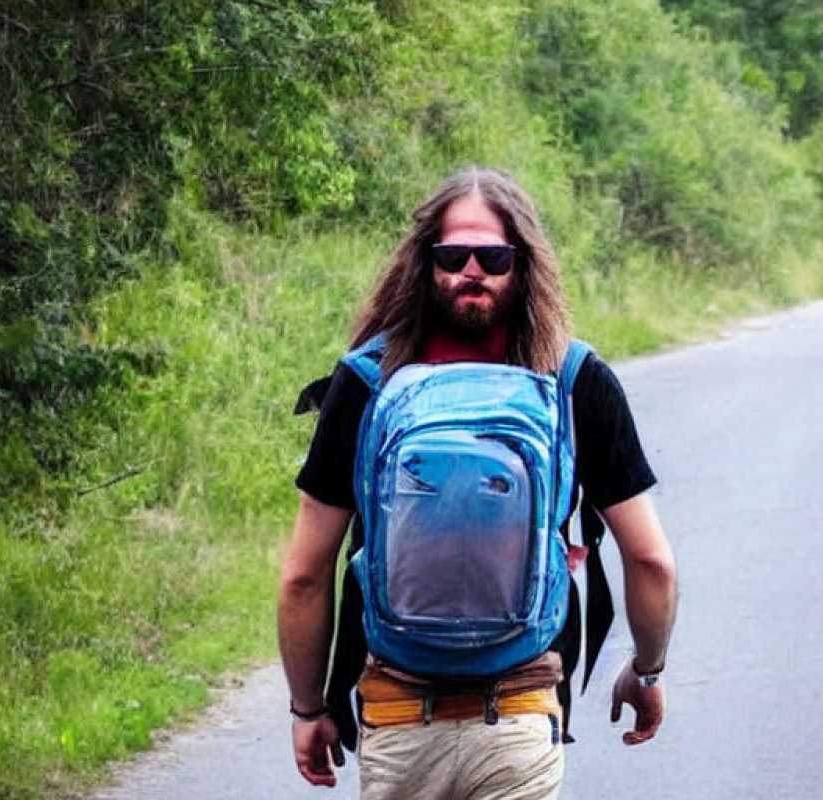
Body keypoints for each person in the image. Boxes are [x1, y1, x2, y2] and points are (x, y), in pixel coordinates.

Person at [277, 166, 678, 798]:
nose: (471, 269)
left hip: (398, 719)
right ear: (425, 261)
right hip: (518, 716)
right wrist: (647, 673)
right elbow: (650, 559)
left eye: (490, 255)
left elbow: (305, 572)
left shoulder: (367, 381)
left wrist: (307, 710)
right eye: (453, 254)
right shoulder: (572, 380)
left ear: (521, 261)